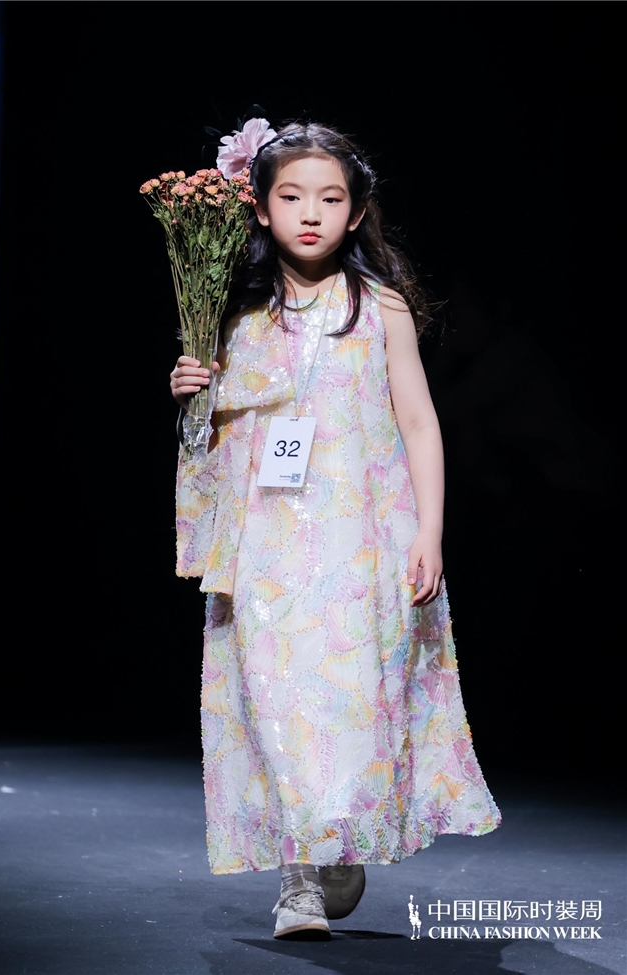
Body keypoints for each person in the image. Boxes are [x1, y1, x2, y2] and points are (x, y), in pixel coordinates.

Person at [169, 120, 501, 940]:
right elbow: (210, 436)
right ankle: (300, 880)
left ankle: (337, 836)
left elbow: (418, 422)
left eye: (329, 198)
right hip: (267, 541)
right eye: (291, 196)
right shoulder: (232, 308)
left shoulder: (377, 306)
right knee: (275, 700)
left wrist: (430, 529)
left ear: (355, 212)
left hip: (361, 537)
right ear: (260, 207)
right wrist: (191, 393)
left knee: (352, 697)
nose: (310, 213)